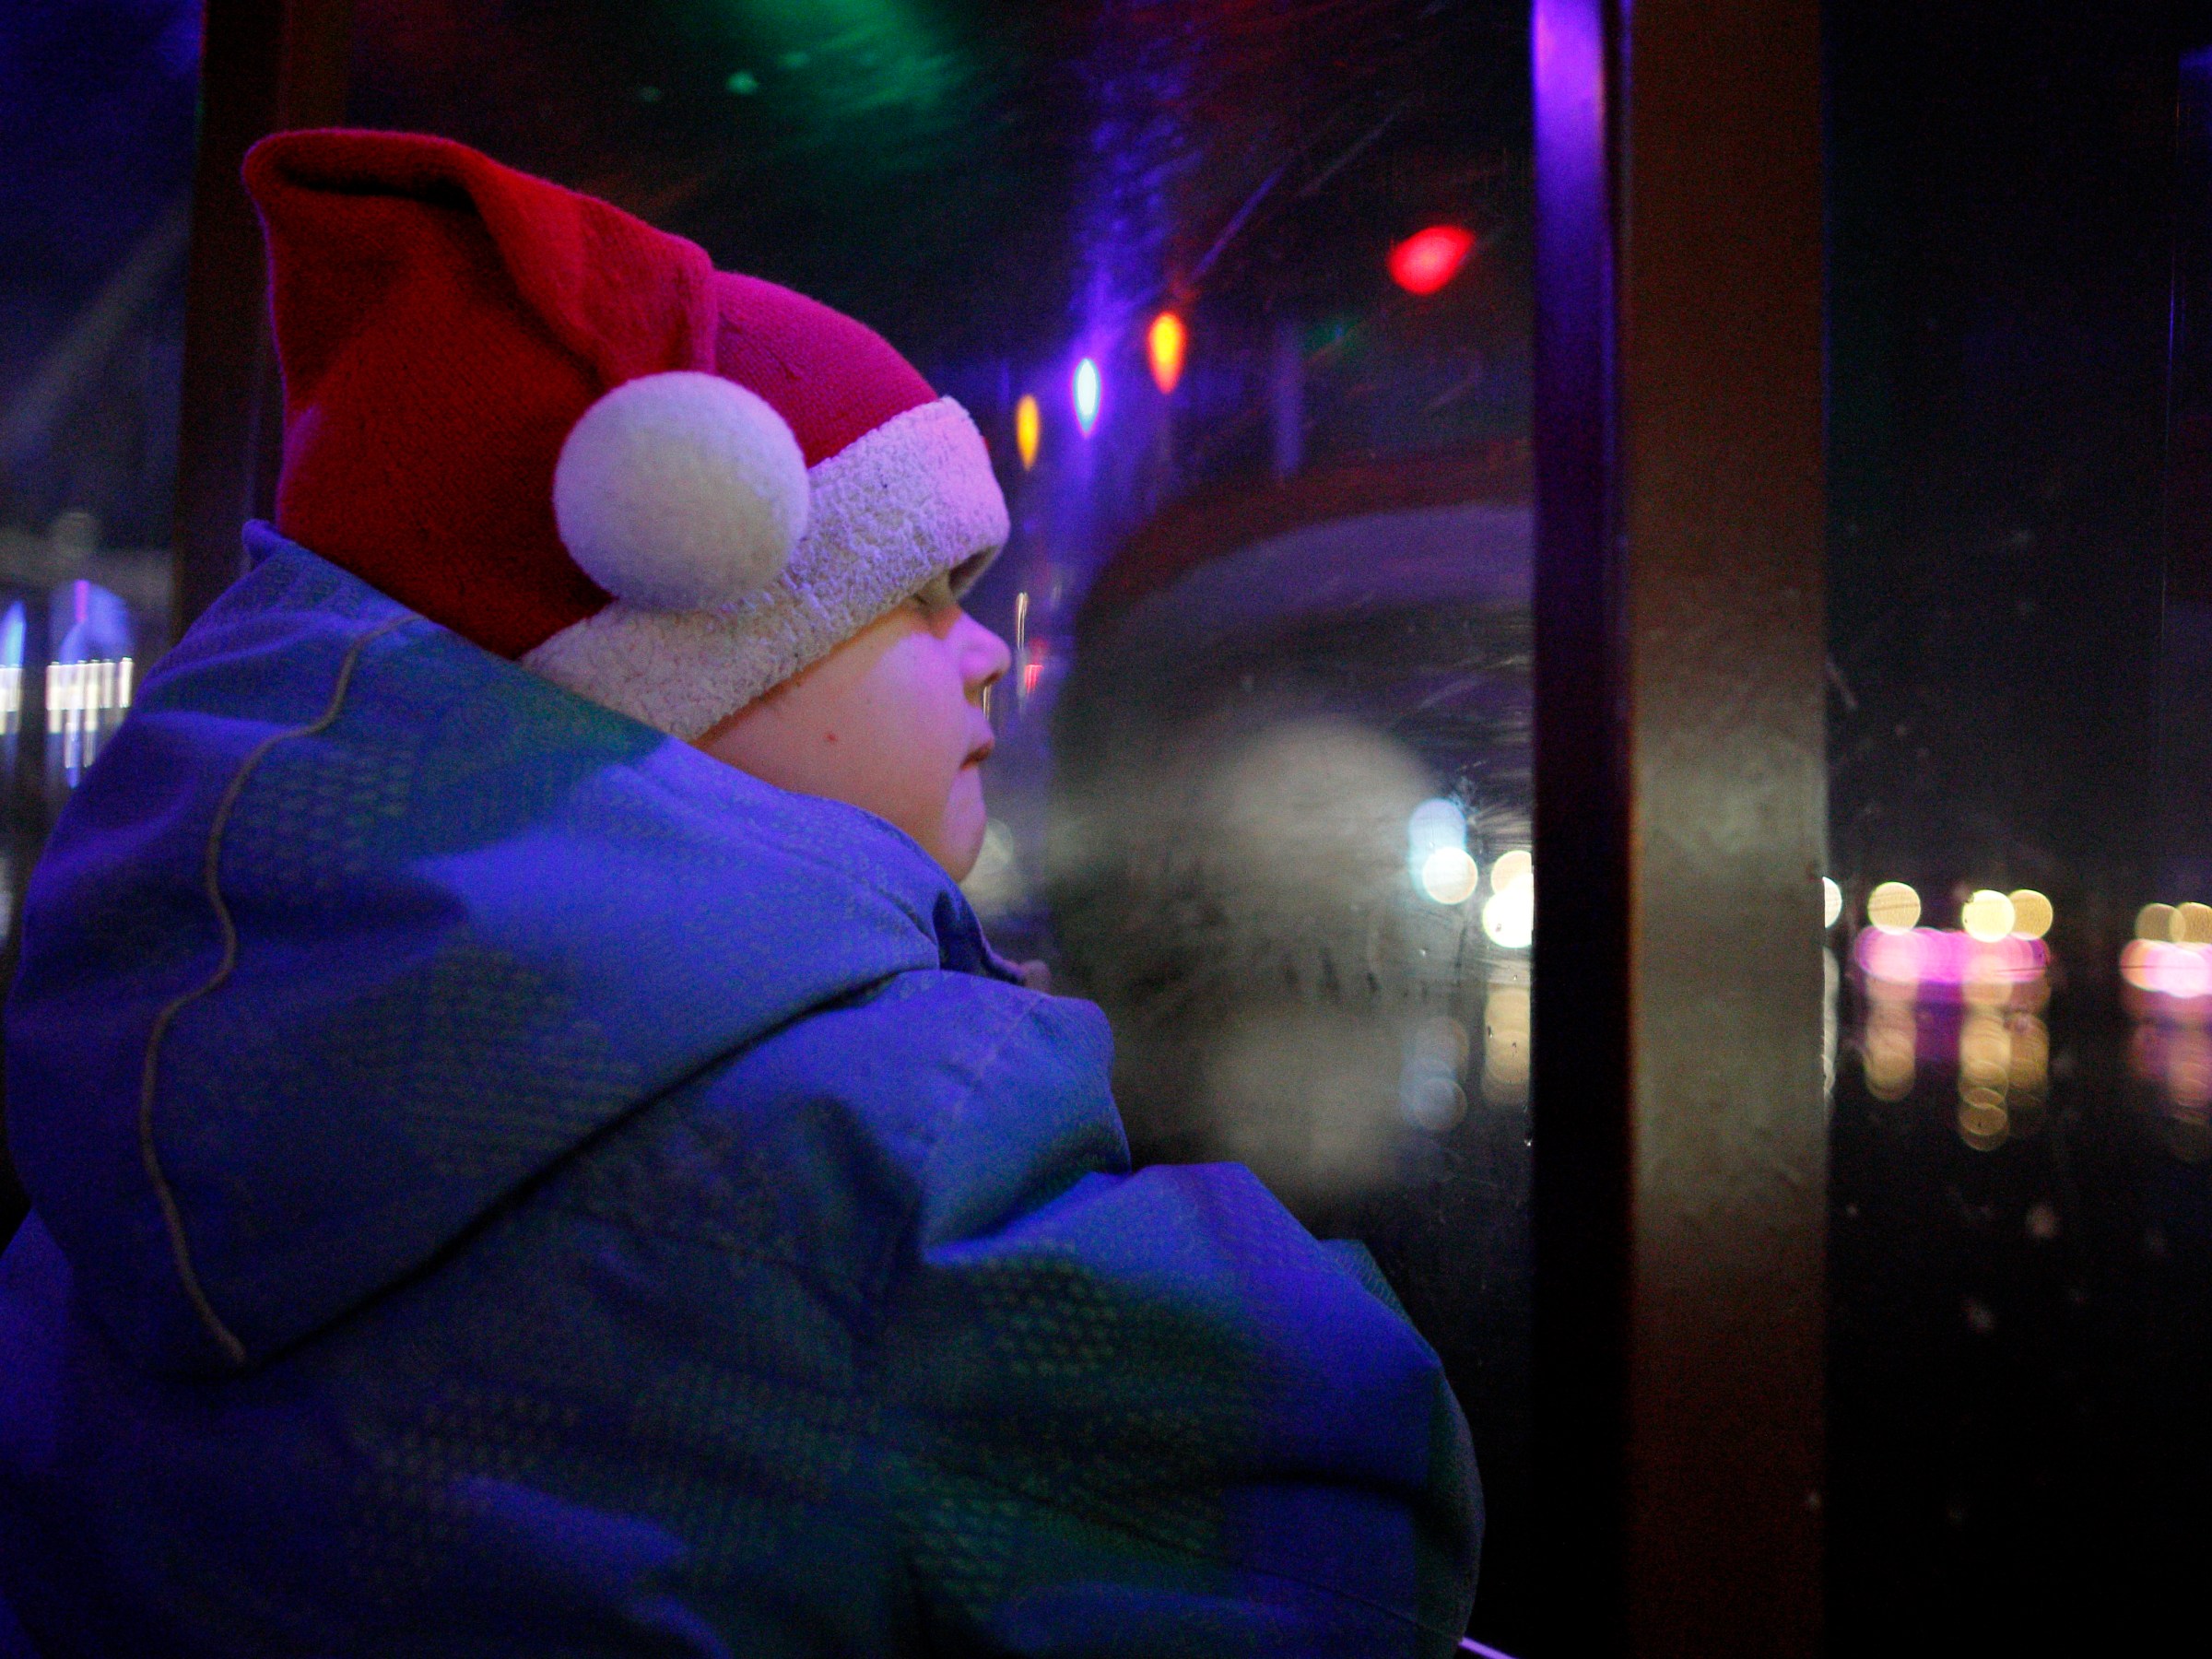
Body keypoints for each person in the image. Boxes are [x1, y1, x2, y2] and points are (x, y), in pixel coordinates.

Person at [0, 131, 1478, 1656]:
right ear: (674, 660)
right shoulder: (896, 1147)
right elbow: (1345, 1533)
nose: (983, 652)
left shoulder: (114, 1143)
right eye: (920, 592)